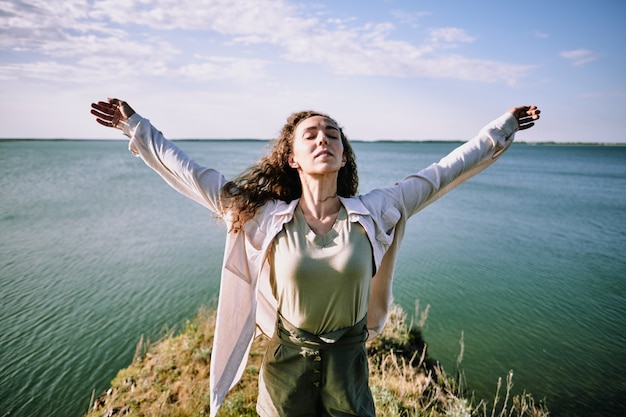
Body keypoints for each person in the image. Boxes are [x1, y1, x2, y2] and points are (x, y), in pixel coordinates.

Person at [90, 98, 540, 417]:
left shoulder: (378, 209)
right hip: (286, 366)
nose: (323, 139)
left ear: (343, 155)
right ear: (292, 158)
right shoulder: (264, 216)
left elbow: (444, 172)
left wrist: (502, 128)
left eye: (332, 134)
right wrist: (137, 127)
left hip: (349, 366)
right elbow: (191, 173)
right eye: (311, 134)